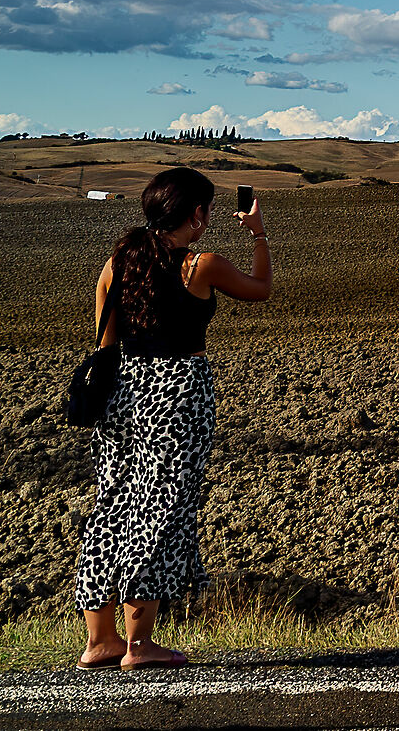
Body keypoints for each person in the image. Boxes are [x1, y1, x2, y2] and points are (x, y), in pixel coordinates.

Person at [74, 168, 273, 670]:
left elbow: (105, 340)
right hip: (178, 393)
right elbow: (261, 289)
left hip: (121, 393)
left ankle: (100, 641)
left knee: (112, 508)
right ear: (197, 214)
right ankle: (139, 645)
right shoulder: (201, 266)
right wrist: (258, 234)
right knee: (159, 511)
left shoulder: (117, 263)